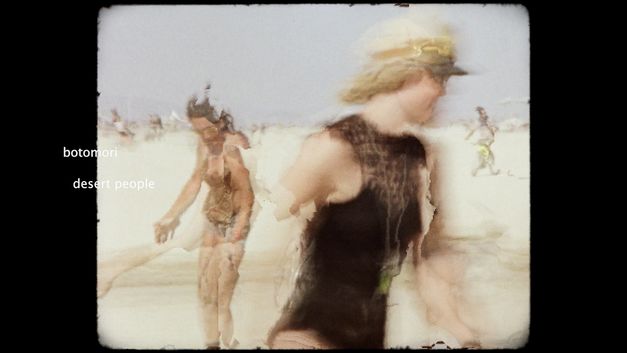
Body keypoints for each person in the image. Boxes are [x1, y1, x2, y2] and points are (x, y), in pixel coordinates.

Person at [266, 16, 478, 349]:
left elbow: (429, 255)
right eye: (438, 78)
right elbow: (272, 234)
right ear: (408, 74)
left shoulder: (424, 158)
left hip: (370, 338)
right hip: (308, 338)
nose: (442, 91)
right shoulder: (332, 148)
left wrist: (462, 330)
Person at [154, 94, 253, 349]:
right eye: (197, 131)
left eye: (206, 129)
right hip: (211, 222)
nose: (203, 136)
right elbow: (194, 183)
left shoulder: (235, 145)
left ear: (219, 121)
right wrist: (170, 217)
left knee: (221, 298)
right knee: (206, 296)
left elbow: (247, 195)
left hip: (233, 226)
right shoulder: (204, 146)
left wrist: (236, 236)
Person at [465, 106, 500, 176]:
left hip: (488, 140)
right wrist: (467, 136)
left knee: (486, 156)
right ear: (480, 114)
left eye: (485, 112)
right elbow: (473, 129)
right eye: (483, 113)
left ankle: (476, 171)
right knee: (487, 156)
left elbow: (493, 127)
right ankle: (478, 171)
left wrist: (495, 129)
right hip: (483, 140)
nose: (485, 114)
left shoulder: (488, 120)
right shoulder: (478, 121)